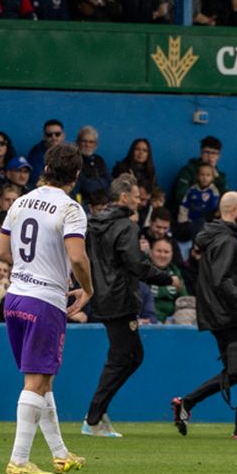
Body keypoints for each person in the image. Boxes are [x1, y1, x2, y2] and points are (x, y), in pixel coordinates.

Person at [0, 143, 92, 474]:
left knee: (42, 379)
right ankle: (19, 460)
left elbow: (2, 251)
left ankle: (60, 453)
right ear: (76, 175)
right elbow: (78, 257)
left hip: (14, 297)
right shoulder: (70, 209)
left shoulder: (20, 202)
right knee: (35, 382)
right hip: (45, 300)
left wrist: (29, 265)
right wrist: (88, 289)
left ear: (46, 168)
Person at [83, 174, 175, 437]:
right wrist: (167, 276)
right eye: (136, 196)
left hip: (103, 296)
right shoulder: (126, 226)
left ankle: (97, 414)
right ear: (124, 197)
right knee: (125, 357)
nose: (139, 200)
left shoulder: (95, 224)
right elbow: (135, 263)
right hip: (121, 298)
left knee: (128, 356)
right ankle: (93, 418)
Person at [171, 191, 237, 439]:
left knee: (236, 370)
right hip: (229, 315)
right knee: (235, 371)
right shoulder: (228, 242)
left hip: (217, 313)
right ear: (234, 211)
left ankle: (188, 404)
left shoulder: (215, 237)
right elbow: (223, 280)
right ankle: (188, 402)